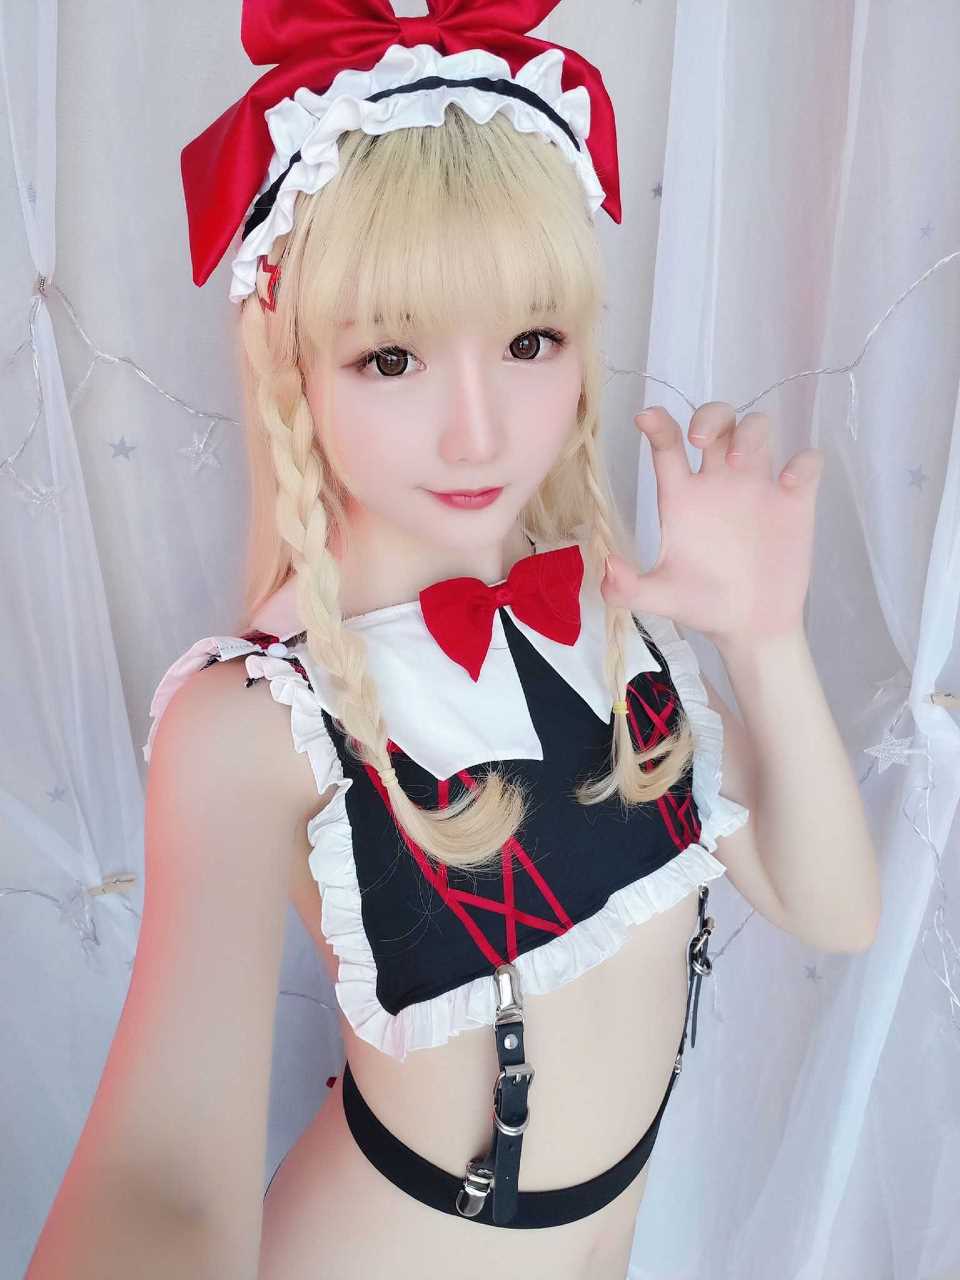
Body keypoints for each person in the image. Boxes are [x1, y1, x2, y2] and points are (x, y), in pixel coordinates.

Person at [28, 4, 767, 1278]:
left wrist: (767, 639)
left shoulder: (621, 626)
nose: (478, 432)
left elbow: (830, 899)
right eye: (391, 358)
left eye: (529, 341)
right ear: (292, 371)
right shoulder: (251, 721)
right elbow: (160, 1174)